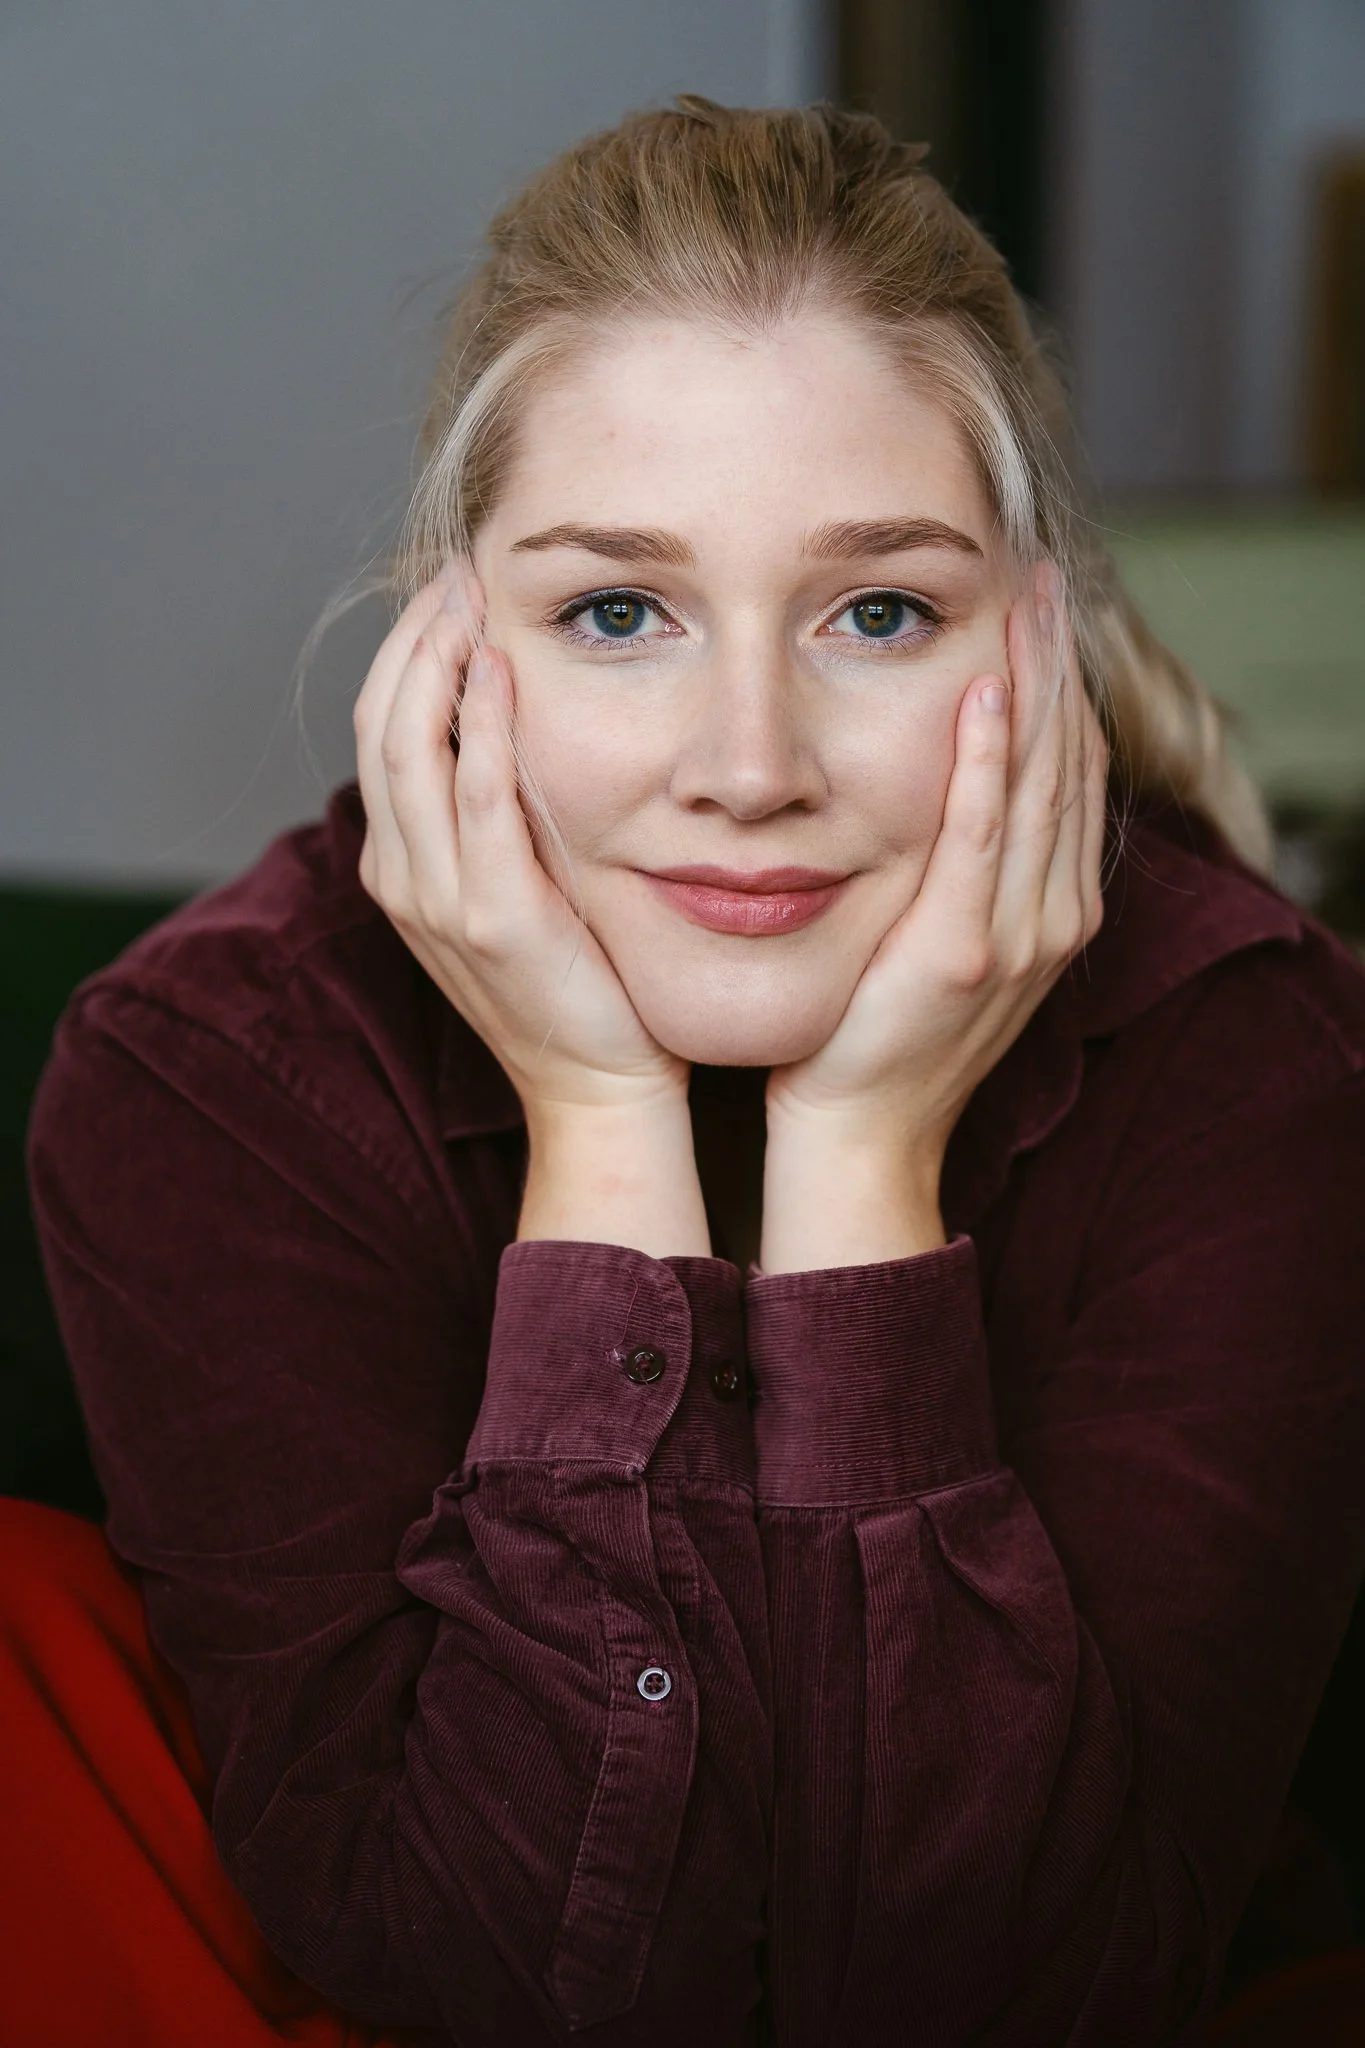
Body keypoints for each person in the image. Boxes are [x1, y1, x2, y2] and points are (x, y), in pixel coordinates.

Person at [8, 95, 1365, 2047]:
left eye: (876, 611)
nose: (747, 760)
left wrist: (859, 1165)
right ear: (453, 641)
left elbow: (1016, 1994)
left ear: (1037, 639)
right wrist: (600, 1124)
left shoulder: (1251, 1052)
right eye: (617, 612)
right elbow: (487, 1976)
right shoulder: (213, 1070)